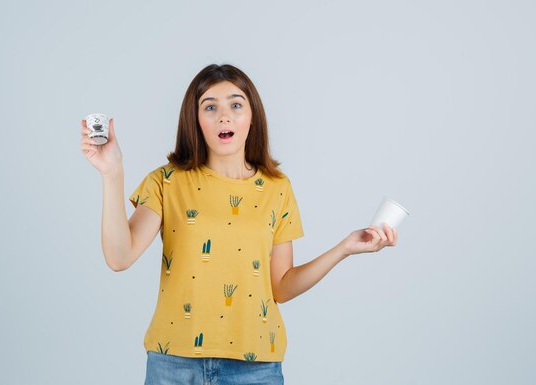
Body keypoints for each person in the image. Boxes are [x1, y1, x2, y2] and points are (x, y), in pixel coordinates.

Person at [79, 64, 398, 385]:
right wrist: (112, 174)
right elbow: (120, 257)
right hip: (174, 364)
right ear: (195, 120)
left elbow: (281, 287)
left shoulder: (277, 188)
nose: (224, 116)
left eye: (235, 104)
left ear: (252, 116)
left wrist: (344, 248)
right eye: (210, 107)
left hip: (255, 368)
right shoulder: (166, 181)